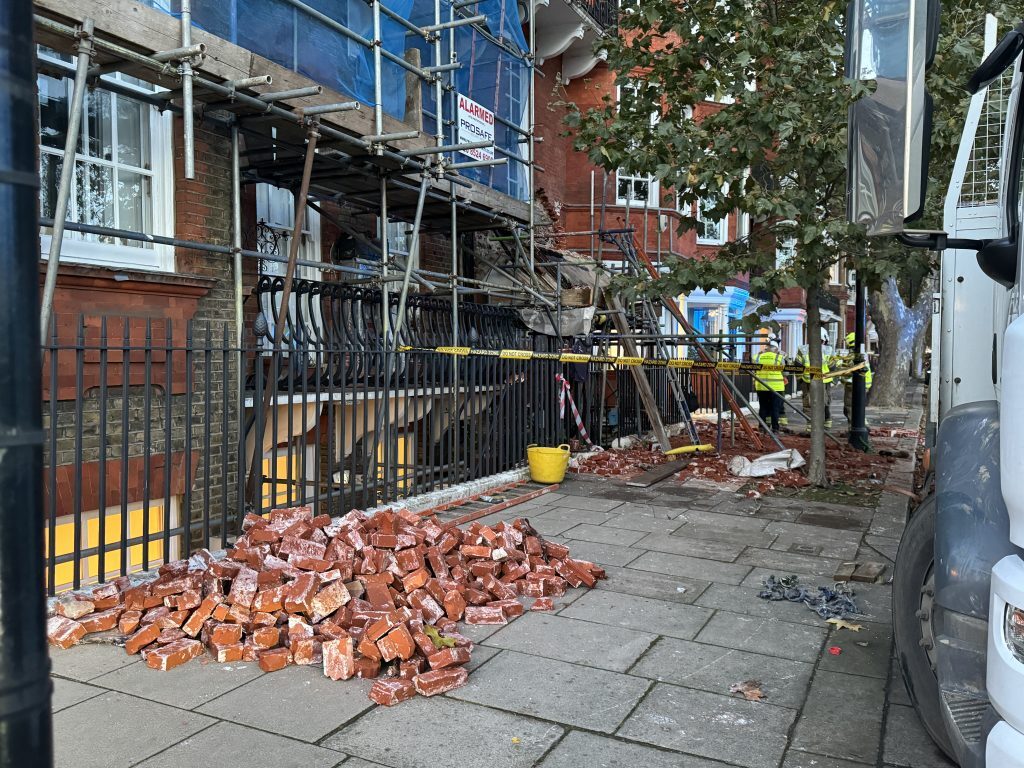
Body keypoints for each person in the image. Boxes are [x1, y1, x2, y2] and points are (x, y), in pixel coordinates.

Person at [795, 328, 834, 429]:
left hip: (807, 380)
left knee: (808, 403)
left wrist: (799, 379)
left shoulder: (802, 349)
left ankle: (810, 426)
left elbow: (797, 366)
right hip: (824, 380)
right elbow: (832, 366)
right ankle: (826, 423)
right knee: (824, 402)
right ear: (824, 338)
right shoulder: (829, 350)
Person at [755, 335, 787, 432]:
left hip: (761, 386)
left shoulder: (758, 356)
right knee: (775, 408)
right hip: (776, 387)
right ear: (776, 348)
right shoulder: (779, 357)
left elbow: (753, 369)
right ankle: (775, 428)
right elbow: (785, 371)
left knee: (763, 407)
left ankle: (762, 427)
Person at [841, 331, 873, 422]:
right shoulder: (863, 354)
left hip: (852, 385)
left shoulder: (852, 356)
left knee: (850, 408)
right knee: (858, 407)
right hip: (864, 385)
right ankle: (863, 424)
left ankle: (855, 428)